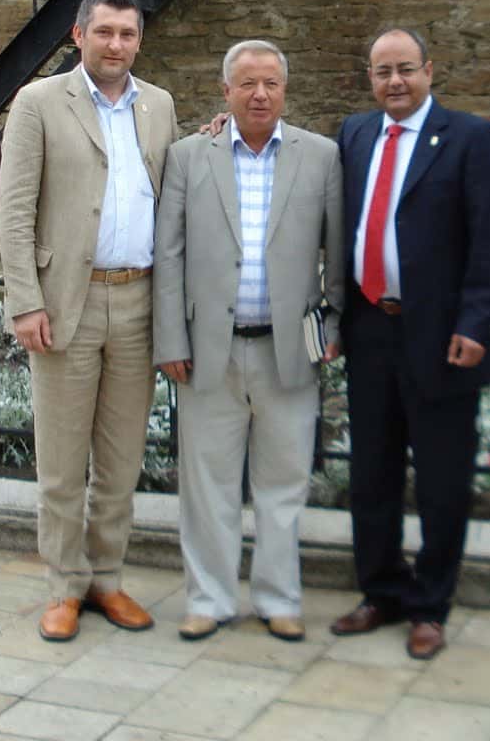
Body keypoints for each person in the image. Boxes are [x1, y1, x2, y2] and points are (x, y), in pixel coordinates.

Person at [0, 0, 179, 642]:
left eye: (127, 34)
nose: (116, 45)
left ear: (139, 40)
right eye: (104, 32)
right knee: (62, 464)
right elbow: (14, 211)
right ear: (79, 36)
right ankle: (64, 586)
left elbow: (174, 189)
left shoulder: (158, 106)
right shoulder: (40, 103)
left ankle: (107, 579)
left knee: (121, 461)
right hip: (65, 304)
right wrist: (26, 302)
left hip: (138, 301)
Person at [328, 27, 490, 660]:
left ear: (429, 70)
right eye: (383, 71)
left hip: (442, 337)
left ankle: (430, 605)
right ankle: (381, 591)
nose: (395, 82)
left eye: (406, 69)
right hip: (371, 329)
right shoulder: (354, 135)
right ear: (370, 78)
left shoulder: (470, 138)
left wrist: (475, 325)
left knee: (441, 478)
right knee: (372, 473)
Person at [153, 40, 343, 643]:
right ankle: (208, 599)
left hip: (290, 351)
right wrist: (170, 338)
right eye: (247, 84)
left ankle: (279, 598)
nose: (260, 94)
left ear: (285, 90)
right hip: (208, 349)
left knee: (284, 483)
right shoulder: (188, 156)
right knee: (206, 485)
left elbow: (337, 255)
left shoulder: (321, 157)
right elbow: (168, 253)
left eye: (271, 84)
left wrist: (334, 326)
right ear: (226, 91)